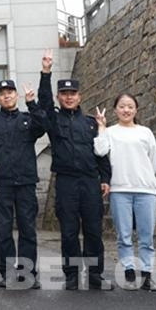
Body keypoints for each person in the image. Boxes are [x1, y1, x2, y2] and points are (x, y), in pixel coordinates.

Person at [31, 50, 113, 291]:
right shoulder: (53, 120)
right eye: (64, 94)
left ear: (79, 96)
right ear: (59, 97)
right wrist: (46, 72)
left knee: (94, 231)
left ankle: (96, 276)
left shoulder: (90, 122)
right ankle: (72, 276)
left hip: (90, 181)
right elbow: (44, 103)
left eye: (73, 94)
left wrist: (105, 178)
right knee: (68, 232)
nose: (69, 98)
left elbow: (101, 152)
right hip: (66, 182)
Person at [0, 79, 45, 289]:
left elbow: (43, 126)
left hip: (26, 182)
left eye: (10, 92)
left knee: (28, 230)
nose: (7, 96)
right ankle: (7, 274)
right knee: (3, 231)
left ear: (16, 95)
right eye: (2, 93)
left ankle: (27, 274)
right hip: (2, 184)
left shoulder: (28, 119)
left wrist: (32, 103)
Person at [95, 93, 156, 292]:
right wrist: (101, 127)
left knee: (146, 235)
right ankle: (129, 272)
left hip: (145, 189)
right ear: (115, 110)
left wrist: (144, 177)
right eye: (122, 106)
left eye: (130, 106)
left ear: (136, 110)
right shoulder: (110, 132)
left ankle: (147, 274)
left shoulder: (145, 132)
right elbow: (100, 151)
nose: (126, 110)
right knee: (123, 235)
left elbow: (153, 161)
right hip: (120, 189)